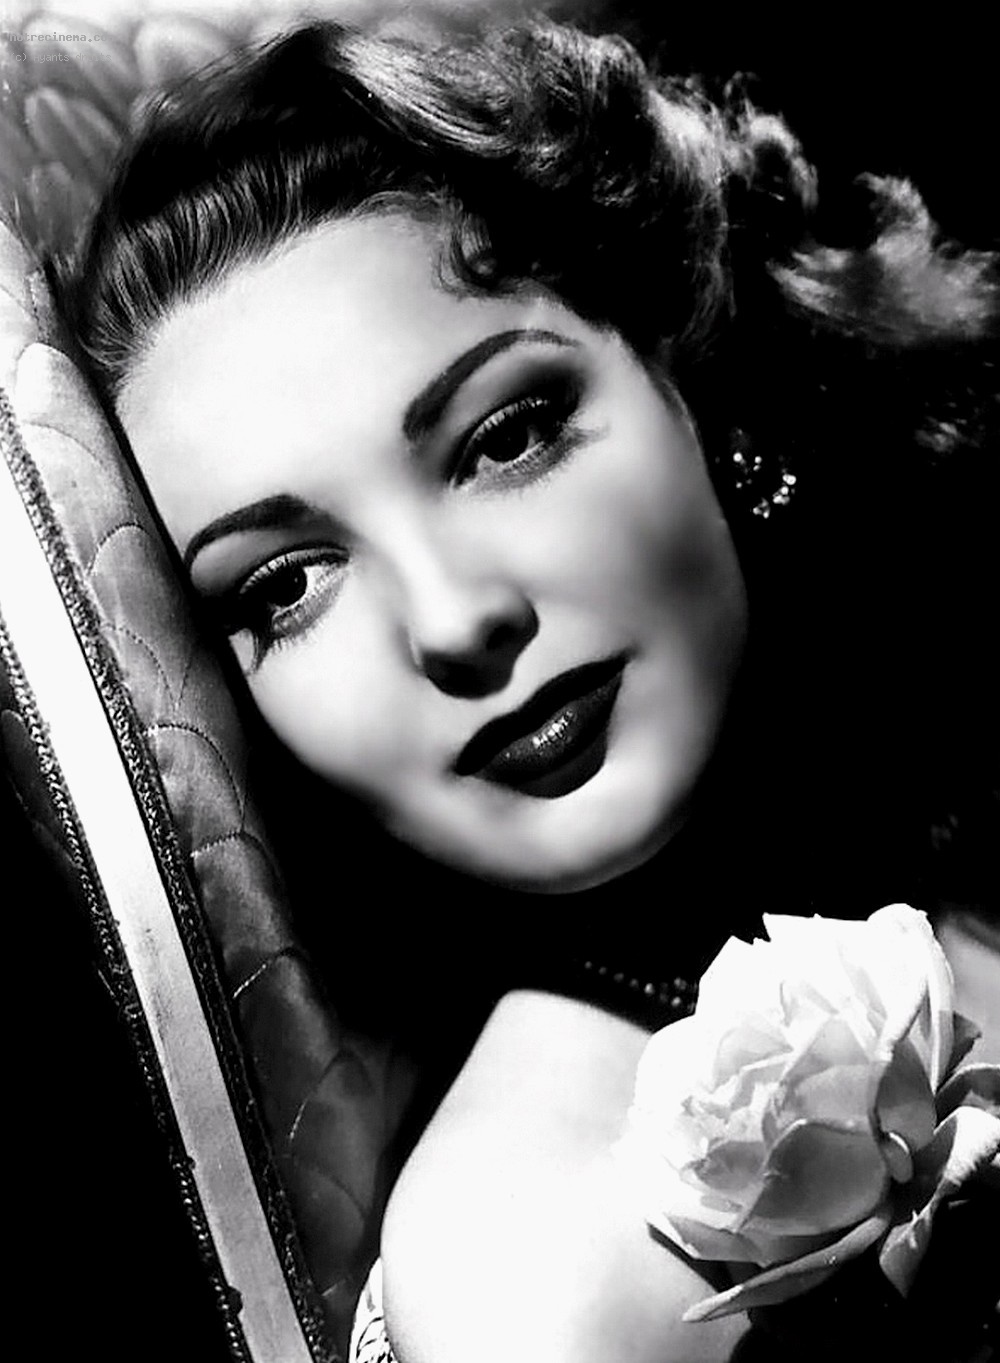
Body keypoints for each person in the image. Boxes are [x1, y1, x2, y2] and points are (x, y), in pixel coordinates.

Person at [63, 16, 998, 1362]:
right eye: (287, 586)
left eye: (505, 438)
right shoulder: (531, 1273)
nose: (454, 621)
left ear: (690, 369)